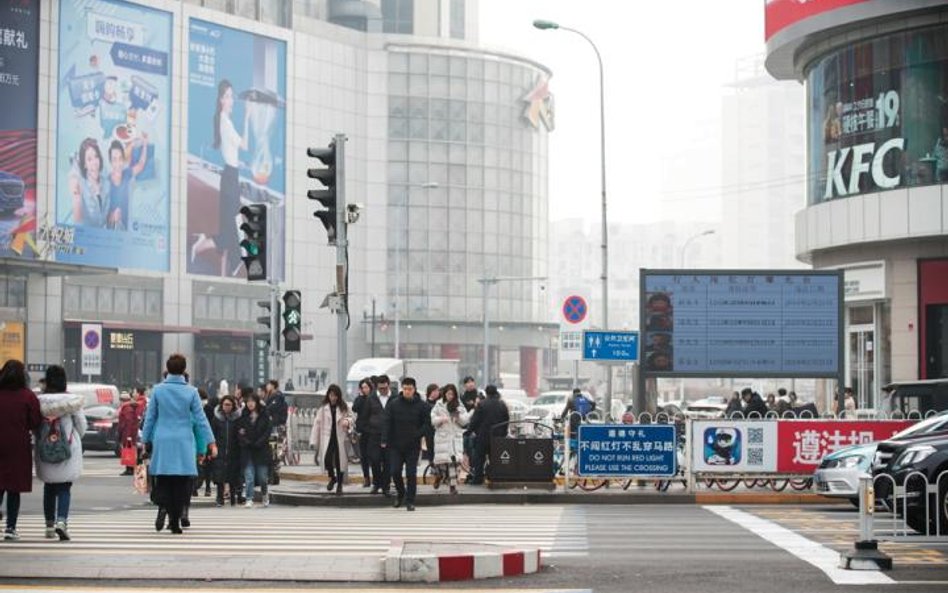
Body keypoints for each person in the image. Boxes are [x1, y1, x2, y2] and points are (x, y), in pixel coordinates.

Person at [141, 354, 217, 534]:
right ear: (184, 370)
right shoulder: (191, 392)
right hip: (183, 440)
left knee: (164, 480)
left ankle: (164, 511)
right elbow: (201, 420)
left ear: (167, 369)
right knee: (182, 482)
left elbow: (150, 418)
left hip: (163, 439)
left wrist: (145, 440)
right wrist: (211, 442)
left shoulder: (158, 390)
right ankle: (175, 521)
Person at [190, 79, 250, 276]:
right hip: (230, 178)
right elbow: (245, 145)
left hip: (230, 174)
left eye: (232, 96)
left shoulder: (224, 121)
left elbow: (230, 152)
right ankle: (231, 263)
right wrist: (248, 118)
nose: (232, 100)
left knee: (228, 229)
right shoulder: (226, 122)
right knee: (232, 225)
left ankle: (209, 250)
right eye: (229, 96)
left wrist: (238, 163)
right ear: (222, 100)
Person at [35, 365, 86, 539]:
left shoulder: (39, 401)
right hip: (67, 450)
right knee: (64, 487)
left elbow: (34, 425)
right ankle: (62, 521)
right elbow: (81, 426)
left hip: (45, 449)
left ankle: (49, 526)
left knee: (49, 487)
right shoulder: (72, 402)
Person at [0, 360, 42, 540]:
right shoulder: (27, 396)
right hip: (18, 446)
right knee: (13, 488)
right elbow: (35, 422)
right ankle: (10, 528)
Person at [381, 377, 431, 511]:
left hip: (413, 445)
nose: (407, 391)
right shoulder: (394, 404)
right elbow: (387, 422)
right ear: (402, 389)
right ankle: (401, 492)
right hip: (395, 445)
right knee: (395, 471)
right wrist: (384, 439)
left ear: (414, 389)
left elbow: (427, 424)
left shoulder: (422, 405)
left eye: (410, 389)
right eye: (405, 389)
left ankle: (410, 500)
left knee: (411, 474)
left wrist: (418, 434)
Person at [309, 384, 353, 496]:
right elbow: (317, 424)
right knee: (327, 459)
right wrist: (313, 440)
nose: (333, 398)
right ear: (328, 395)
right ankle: (332, 478)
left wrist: (347, 421)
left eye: (335, 396)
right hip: (327, 437)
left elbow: (351, 417)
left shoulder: (344, 407)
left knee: (340, 462)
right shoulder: (323, 409)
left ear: (338, 396)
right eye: (331, 395)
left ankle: (339, 485)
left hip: (340, 437)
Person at [430, 384, 469, 495]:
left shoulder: (459, 405)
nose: (450, 396)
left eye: (452, 394)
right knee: (442, 463)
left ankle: (453, 486)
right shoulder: (439, 404)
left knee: (454, 463)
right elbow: (432, 419)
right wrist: (441, 419)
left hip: (454, 438)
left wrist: (458, 418)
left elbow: (465, 420)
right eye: (448, 394)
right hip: (442, 437)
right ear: (445, 394)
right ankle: (439, 476)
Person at [236, 390, 272, 507]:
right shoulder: (243, 415)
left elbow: (267, 431)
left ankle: (265, 494)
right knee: (249, 475)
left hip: (261, 450)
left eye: (252, 401)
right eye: (248, 402)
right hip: (248, 450)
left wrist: (259, 442)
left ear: (257, 402)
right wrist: (247, 442)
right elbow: (240, 432)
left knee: (262, 476)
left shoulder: (264, 415)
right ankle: (249, 498)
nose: (250, 404)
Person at [468, 385, 509, 486]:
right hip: (498, 437)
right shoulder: (502, 404)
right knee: (495, 458)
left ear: (486, 393)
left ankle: (478, 478)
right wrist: (503, 433)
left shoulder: (482, 404)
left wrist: (469, 430)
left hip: (483, 436)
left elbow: (475, 420)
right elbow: (506, 420)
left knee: (479, 458)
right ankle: (495, 477)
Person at [105, 134, 148, 231]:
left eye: (120, 159)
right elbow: (101, 216)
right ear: (110, 162)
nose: (118, 164)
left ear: (123, 160)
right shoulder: (106, 182)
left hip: (124, 231)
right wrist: (112, 216)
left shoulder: (126, 174)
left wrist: (144, 144)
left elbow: (141, 165)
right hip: (109, 233)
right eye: (114, 160)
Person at [68, 137, 109, 227]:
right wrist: (76, 195)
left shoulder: (105, 179)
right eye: (90, 159)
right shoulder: (82, 185)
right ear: (85, 164)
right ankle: (75, 159)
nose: (95, 162)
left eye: (96, 156)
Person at [210, 395, 242, 507]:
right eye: (224, 404)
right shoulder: (217, 418)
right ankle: (219, 497)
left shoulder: (237, 418)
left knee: (232, 474)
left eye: (229, 405)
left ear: (233, 406)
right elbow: (212, 434)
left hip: (234, 450)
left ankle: (233, 497)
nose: (226, 407)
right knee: (219, 475)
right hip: (220, 449)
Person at [366, 375, 395, 495]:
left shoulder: (395, 398)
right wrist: (368, 429)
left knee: (388, 462)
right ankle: (376, 483)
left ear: (388, 385)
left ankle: (386, 486)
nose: (382, 390)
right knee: (375, 460)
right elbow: (365, 416)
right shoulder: (371, 398)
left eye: (384, 388)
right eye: (380, 388)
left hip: (390, 435)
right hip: (374, 435)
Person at [351, 377, 375, 488]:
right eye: (362, 387)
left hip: (373, 430)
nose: (364, 389)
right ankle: (366, 478)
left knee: (374, 456)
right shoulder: (359, 399)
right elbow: (355, 408)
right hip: (362, 431)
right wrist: (361, 396)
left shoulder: (374, 398)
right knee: (363, 456)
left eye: (366, 387)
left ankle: (376, 478)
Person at [117, 391, 140, 475]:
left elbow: (128, 422)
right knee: (129, 451)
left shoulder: (126, 408)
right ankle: (130, 468)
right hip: (130, 433)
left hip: (127, 433)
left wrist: (128, 435)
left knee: (128, 451)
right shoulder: (130, 407)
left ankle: (129, 469)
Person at [421, 384, 441, 464]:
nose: (436, 393)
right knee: (431, 448)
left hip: (439, 429)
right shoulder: (425, 404)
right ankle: (432, 464)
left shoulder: (440, 403)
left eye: (437, 391)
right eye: (434, 391)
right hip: (429, 429)